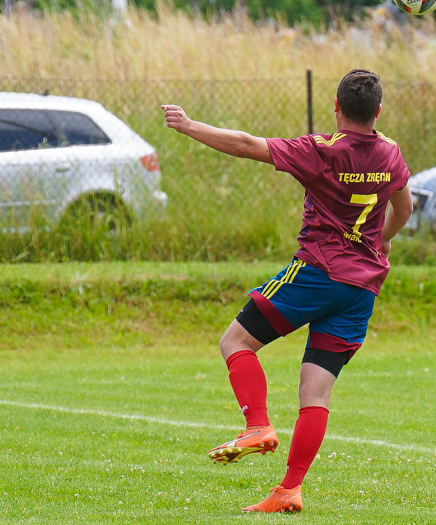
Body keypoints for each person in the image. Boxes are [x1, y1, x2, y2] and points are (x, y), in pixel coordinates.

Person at [161, 69, 413, 514]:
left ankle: (256, 426)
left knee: (235, 342)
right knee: (315, 394)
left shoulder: (320, 150)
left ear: (336, 108)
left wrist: (190, 125)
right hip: (363, 287)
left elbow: (245, 144)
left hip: (318, 274)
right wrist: (382, 240)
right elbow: (405, 206)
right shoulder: (391, 153)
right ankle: (289, 490)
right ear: (377, 112)